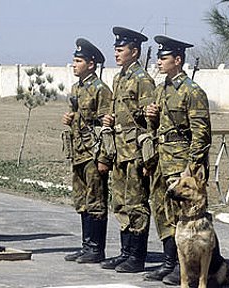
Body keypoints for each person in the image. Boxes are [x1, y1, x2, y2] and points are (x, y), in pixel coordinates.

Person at [143, 35, 228, 285]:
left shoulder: (192, 91)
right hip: (162, 160)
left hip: (182, 164)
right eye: (158, 57)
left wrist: (191, 169)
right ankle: (171, 262)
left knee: (187, 215)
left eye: (164, 57)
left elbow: (201, 133)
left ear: (178, 60)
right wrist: (151, 116)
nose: (159, 61)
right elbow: (158, 127)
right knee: (163, 211)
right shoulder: (161, 89)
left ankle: (195, 270)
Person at [100, 27, 155, 273]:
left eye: (121, 49)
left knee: (136, 203)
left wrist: (148, 159)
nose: (116, 53)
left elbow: (151, 120)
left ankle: (137, 255)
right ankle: (125, 252)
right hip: (119, 151)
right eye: (115, 49)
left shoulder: (143, 80)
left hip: (134, 152)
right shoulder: (119, 78)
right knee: (121, 203)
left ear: (135, 51)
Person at [62, 38, 113, 264]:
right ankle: (86, 246)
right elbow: (77, 115)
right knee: (82, 200)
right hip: (79, 152)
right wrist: (69, 118)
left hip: (93, 153)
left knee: (96, 200)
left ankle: (96, 249)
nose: (74, 64)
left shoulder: (101, 89)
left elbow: (106, 126)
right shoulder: (77, 88)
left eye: (78, 61)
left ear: (91, 64)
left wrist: (104, 158)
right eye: (74, 60)